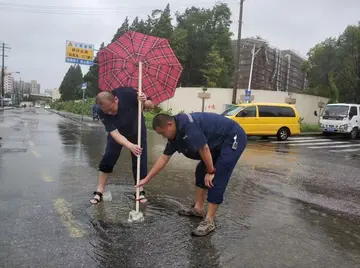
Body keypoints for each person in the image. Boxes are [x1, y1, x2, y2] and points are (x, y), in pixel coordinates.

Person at [136, 112, 247, 236]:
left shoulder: (188, 126)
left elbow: (203, 148)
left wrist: (211, 171)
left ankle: (209, 221)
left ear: (169, 124)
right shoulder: (174, 136)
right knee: (201, 171)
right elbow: (164, 158)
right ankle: (198, 210)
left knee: (218, 175)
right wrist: (147, 178)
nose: (163, 136)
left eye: (162, 133)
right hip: (216, 143)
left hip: (232, 137)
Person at [90, 87, 154, 205]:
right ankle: (100, 190)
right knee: (108, 157)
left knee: (139, 160)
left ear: (116, 99)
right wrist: (129, 145)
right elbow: (114, 133)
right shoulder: (100, 110)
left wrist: (144, 101)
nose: (110, 113)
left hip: (137, 130)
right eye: (106, 111)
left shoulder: (128, 93)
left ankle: (139, 190)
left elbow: (151, 105)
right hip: (118, 133)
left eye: (111, 109)